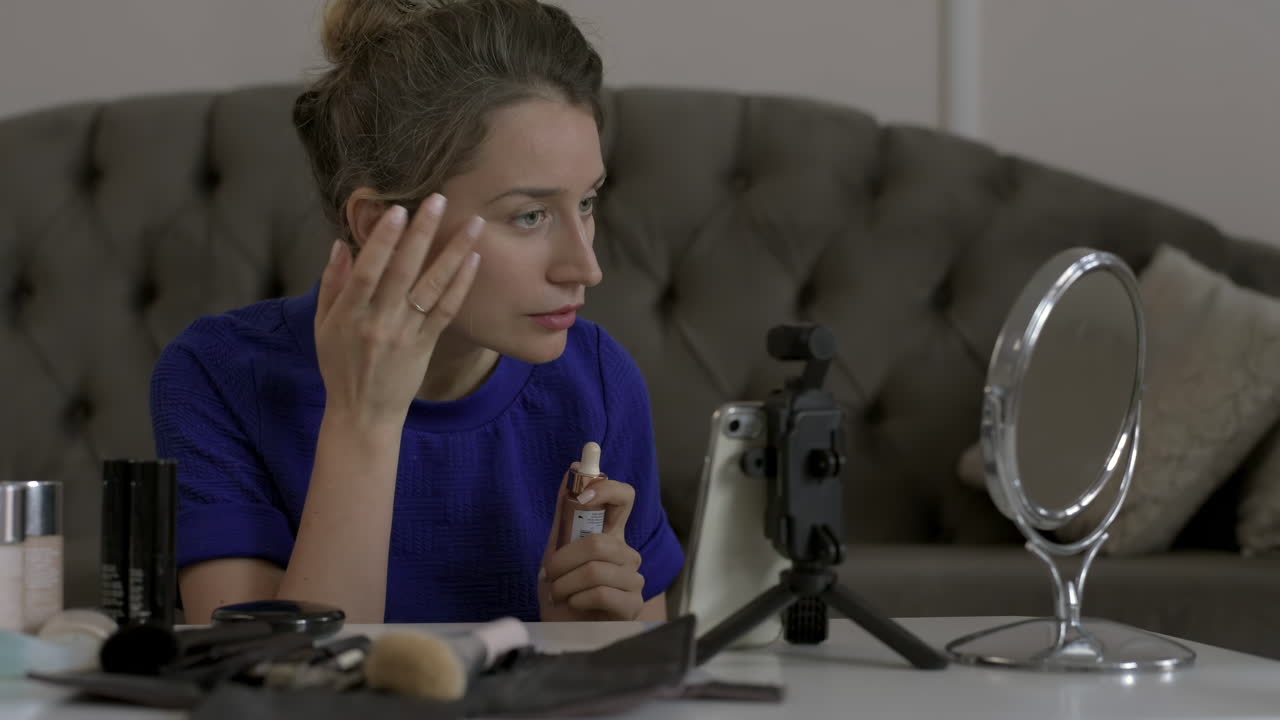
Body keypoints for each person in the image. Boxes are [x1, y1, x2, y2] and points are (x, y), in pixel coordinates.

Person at [150, 0, 684, 625]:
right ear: (383, 228)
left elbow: (645, 681)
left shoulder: (599, 380)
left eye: (587, 203)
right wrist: (364, 419)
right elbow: (274, 686)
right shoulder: (217, 376)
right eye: (530, 215)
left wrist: (578, 640)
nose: (584, 266)